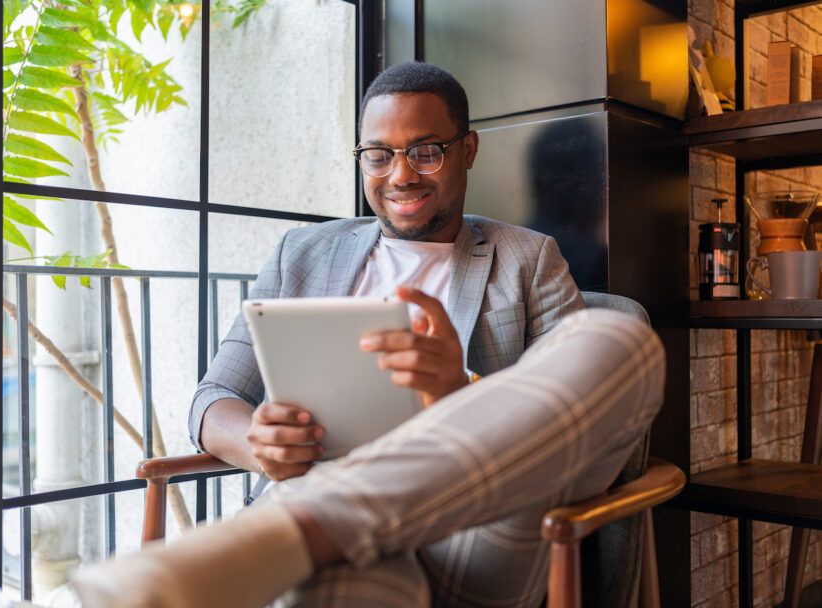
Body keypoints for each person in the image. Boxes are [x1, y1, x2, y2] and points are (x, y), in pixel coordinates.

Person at [72, 63, 666, 608]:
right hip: (331, 547)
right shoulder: (302, 254)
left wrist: (459, 391)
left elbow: (586, 440)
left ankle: (308, 526)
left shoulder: (529, 259)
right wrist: (260, 445)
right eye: (378, 155)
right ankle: (313, 531)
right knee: (338, 586)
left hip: (473, 537)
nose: (401, 174)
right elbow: (210, 401)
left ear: (468, 150)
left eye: (426, 151)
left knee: (621, 343)